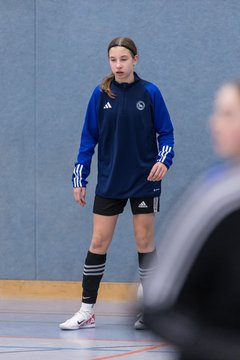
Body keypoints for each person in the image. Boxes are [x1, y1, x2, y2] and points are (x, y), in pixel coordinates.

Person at [59, 37, 174, 330]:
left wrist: (163, 161)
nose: (118, 65)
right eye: (113, 59)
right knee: (98, 242)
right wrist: (79, 177)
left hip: (143, 181)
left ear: (136, 59)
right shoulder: (100, 95)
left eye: (124, 59)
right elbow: (88, 139)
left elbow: (166, 134)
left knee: (144, 242)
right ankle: (87, 310)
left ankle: (151, 310)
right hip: (110, 180)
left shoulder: (150, 92)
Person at [144, 81, 240, 359]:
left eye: (227, 113)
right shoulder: (213, 198)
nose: (214, 123)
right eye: (217, 112)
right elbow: (155, 306)